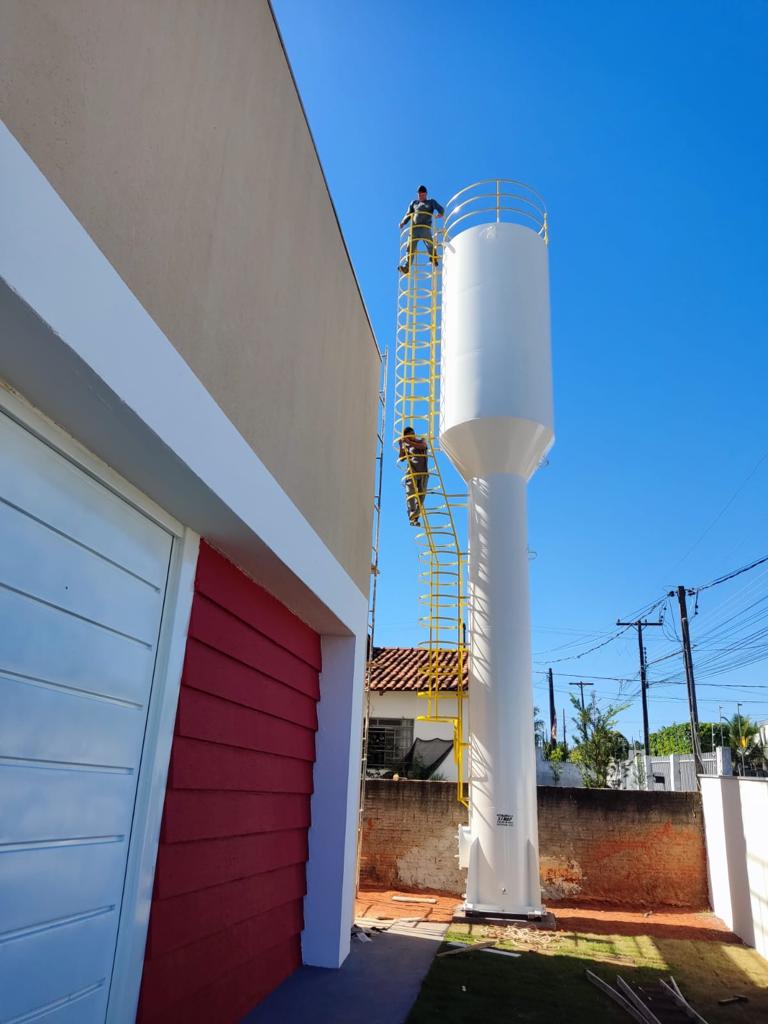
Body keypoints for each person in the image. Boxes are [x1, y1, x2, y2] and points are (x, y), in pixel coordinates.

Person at [398, 185, 445, 274]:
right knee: (410, 247)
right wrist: (403, 222)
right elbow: (408, 214)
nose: (421, 196)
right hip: (415, 229)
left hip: (425, 227)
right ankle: (406, 267)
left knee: (429, 242)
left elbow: (441, 208)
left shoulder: (431, 202)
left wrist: (441, 213)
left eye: (422, 194)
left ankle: (433, 258)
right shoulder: (414, 203)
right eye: (419, 195)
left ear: (426, 194)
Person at [398, 426, 429, 526]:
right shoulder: (407, 445)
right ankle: (412, 513)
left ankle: (415, 517)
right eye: (408, 436)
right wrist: (401, 446)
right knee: (410, 491)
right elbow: (402, 458)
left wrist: (409, 442)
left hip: (423, 472)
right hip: (412, 470)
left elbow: (423, 446)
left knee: (421, 495)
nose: (411, 437)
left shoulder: (421, 441)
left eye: (412, 435)